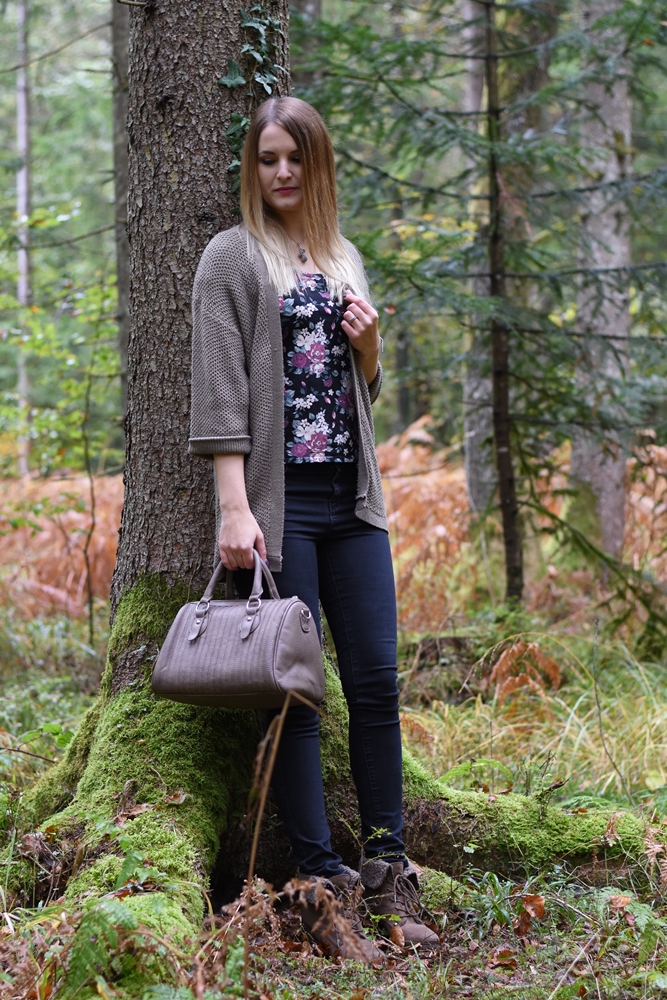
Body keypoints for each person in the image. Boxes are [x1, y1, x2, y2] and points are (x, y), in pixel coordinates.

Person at [189, 96, 438, 959]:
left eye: (296, 158)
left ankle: (388, 872)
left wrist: (369, 354)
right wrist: (234, 506)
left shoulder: (343, 257)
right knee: (294, 693)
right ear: (252, 169)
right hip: (281, 503)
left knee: (374, 684)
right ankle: (319, 883)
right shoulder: (231, 258)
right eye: (267, 159)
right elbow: (221, 390)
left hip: (353, 505)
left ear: (318, 164)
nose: (282, 173)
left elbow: (356, 401)